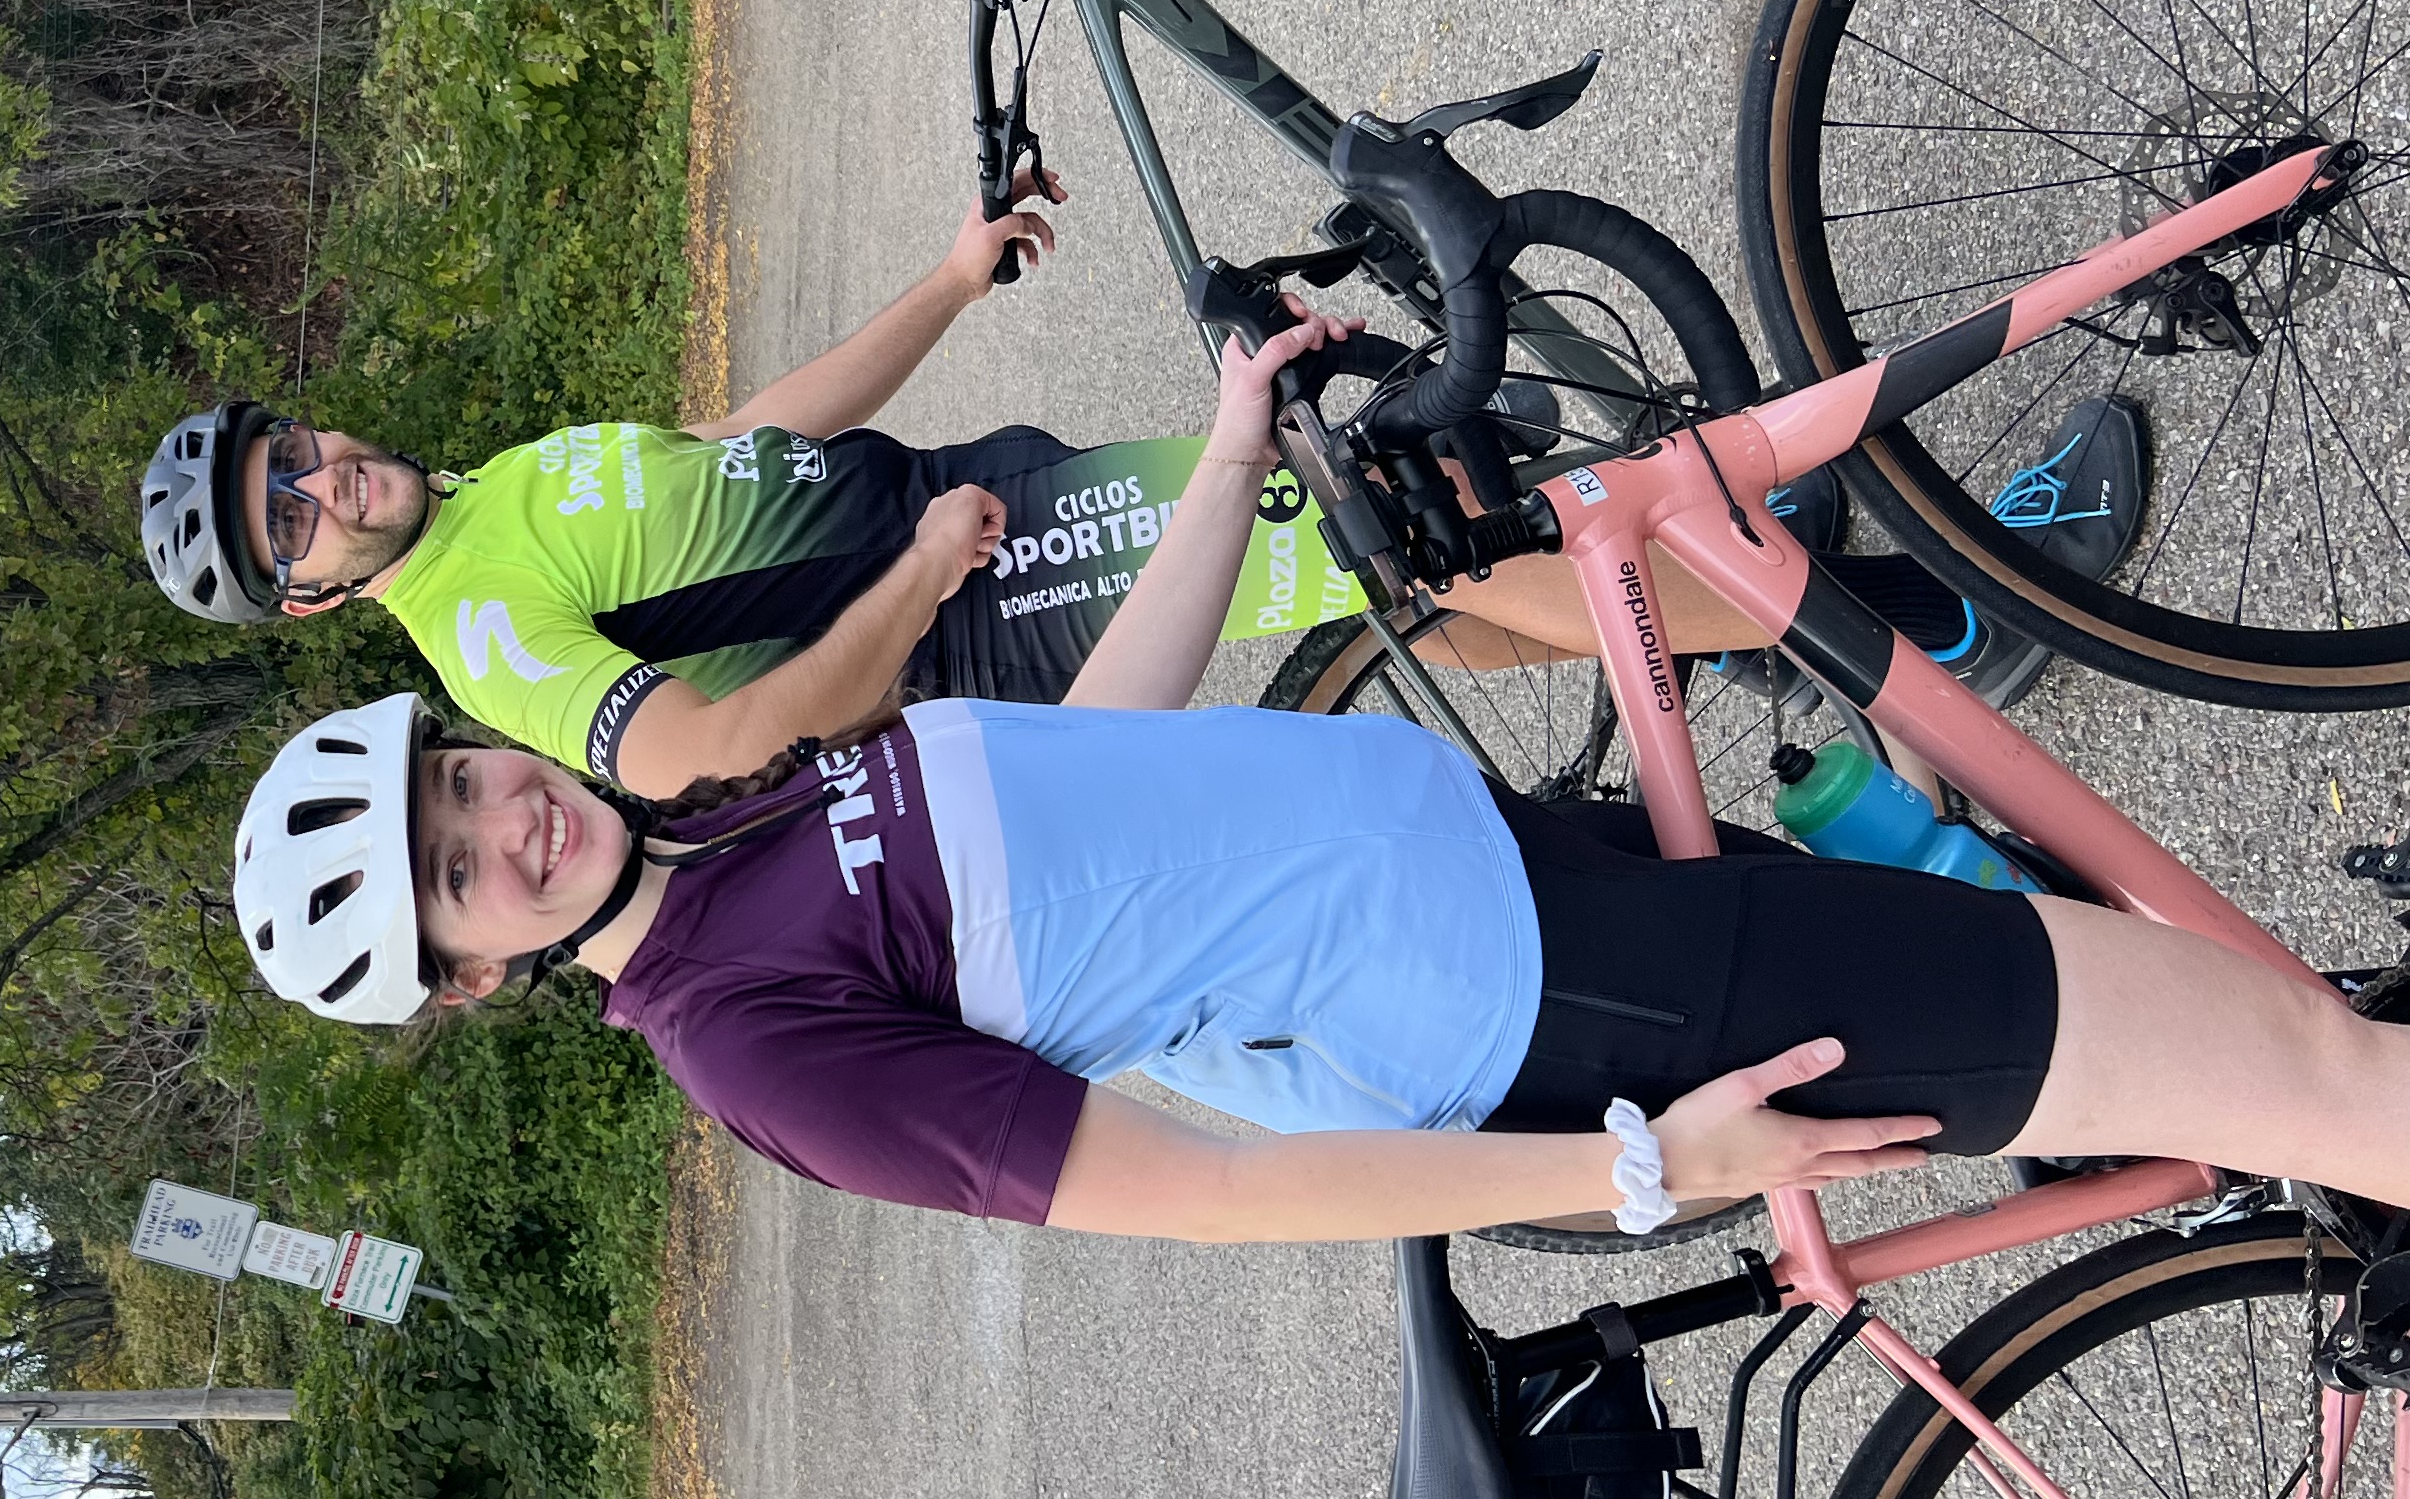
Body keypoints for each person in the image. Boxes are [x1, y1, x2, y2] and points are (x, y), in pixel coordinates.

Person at [223, 306, 2397, 1243]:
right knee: (2302, 1071)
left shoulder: (730, 829)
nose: (504, 826)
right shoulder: (752, 1046)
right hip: (1577, 1012)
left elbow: (1096, 770)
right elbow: (1239, 1197)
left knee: (2232, 1049)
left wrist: (1235, 444)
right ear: (471, 976)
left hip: (1540, 887)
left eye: (455, 790)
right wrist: (1649, 1176)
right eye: (463, 882)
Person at [147, 185, 2153, 808]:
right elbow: (714, 748)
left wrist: (941, 284)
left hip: (977, 511)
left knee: (1422, 572)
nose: (320, 483)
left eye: (292, 453)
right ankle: (1951, 622)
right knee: (1413, 527)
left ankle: (1904, 646)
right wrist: (927, 565)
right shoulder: (478, 637)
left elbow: (742, 449)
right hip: (992, 595)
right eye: (290, 522)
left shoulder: (484, 495)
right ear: (312, 605)